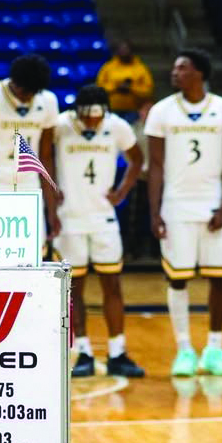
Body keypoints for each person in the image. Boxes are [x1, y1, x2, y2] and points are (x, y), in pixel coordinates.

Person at [146, 48, 222, 377]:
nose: (175, 73)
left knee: (219, 279)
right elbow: (156, 166)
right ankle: (184, 349)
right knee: (178, 280)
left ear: (200, 73)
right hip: (176, 206)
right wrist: (155, 210)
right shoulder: (161, 112)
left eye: (183, 68)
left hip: (212, 205)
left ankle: (215, 348)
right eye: (175, 68)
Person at [53, 85, 144, 378]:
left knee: (112, 284)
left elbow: (137, 159)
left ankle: (118, 351)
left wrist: (122, 191)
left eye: (97, 116)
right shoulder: (59, 125)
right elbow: (39, 157)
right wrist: (52, 191)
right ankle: (83, 352)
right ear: (77, 112)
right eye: (87, 116)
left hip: (103, 218)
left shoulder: (117, 126)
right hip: (69, 218)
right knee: (75, 289)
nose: (92, 121)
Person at [0, 53, 60, 236]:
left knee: (34, 250)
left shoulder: (48, 101)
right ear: (14, 83)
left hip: (29, 183)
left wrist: (52, 209)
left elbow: (46, 156)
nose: (27, 98)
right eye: (25, 92)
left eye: (33, 93)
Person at [95, 40, 154, 117]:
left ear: (131, 51)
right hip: (112, 110)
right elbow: (99, 88)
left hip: (134, 111)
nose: (124, 51)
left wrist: (131, 88)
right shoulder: (108, 67)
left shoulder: (141, 68)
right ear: (117, 51)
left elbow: (148, 90)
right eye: (121, 49)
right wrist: (116, 87)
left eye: (126, 49)